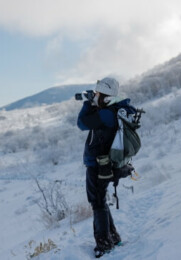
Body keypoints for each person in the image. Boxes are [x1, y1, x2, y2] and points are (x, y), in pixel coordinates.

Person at [77, 77, 122, 258]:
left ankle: (104, 244)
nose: (94, 95)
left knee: (97, 203)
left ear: (104, 94)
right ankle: (113, 237)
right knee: (100, 200)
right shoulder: (111, 110)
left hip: (98, 164)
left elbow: (81, 123)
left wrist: (88, 104)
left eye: (97, 93)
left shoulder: (106, 114)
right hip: (103, 163)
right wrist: (95, 102)